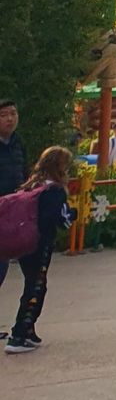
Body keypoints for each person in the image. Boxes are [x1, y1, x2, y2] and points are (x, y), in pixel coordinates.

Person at [3, 145, 75, 354]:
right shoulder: (54, 191)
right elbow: (60, 219)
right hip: (40, 244)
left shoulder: (31, 185)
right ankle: (19, 333)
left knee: (33, 283)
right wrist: (73, 215)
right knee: (36, 287)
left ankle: (29, 331)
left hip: (24, 242)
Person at [0, 98, 26, 295]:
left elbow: (24, 174)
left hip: (11, 214)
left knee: (2, 268)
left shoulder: (18, 143)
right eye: (3, 115)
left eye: (13, 114)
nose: (9, 119)